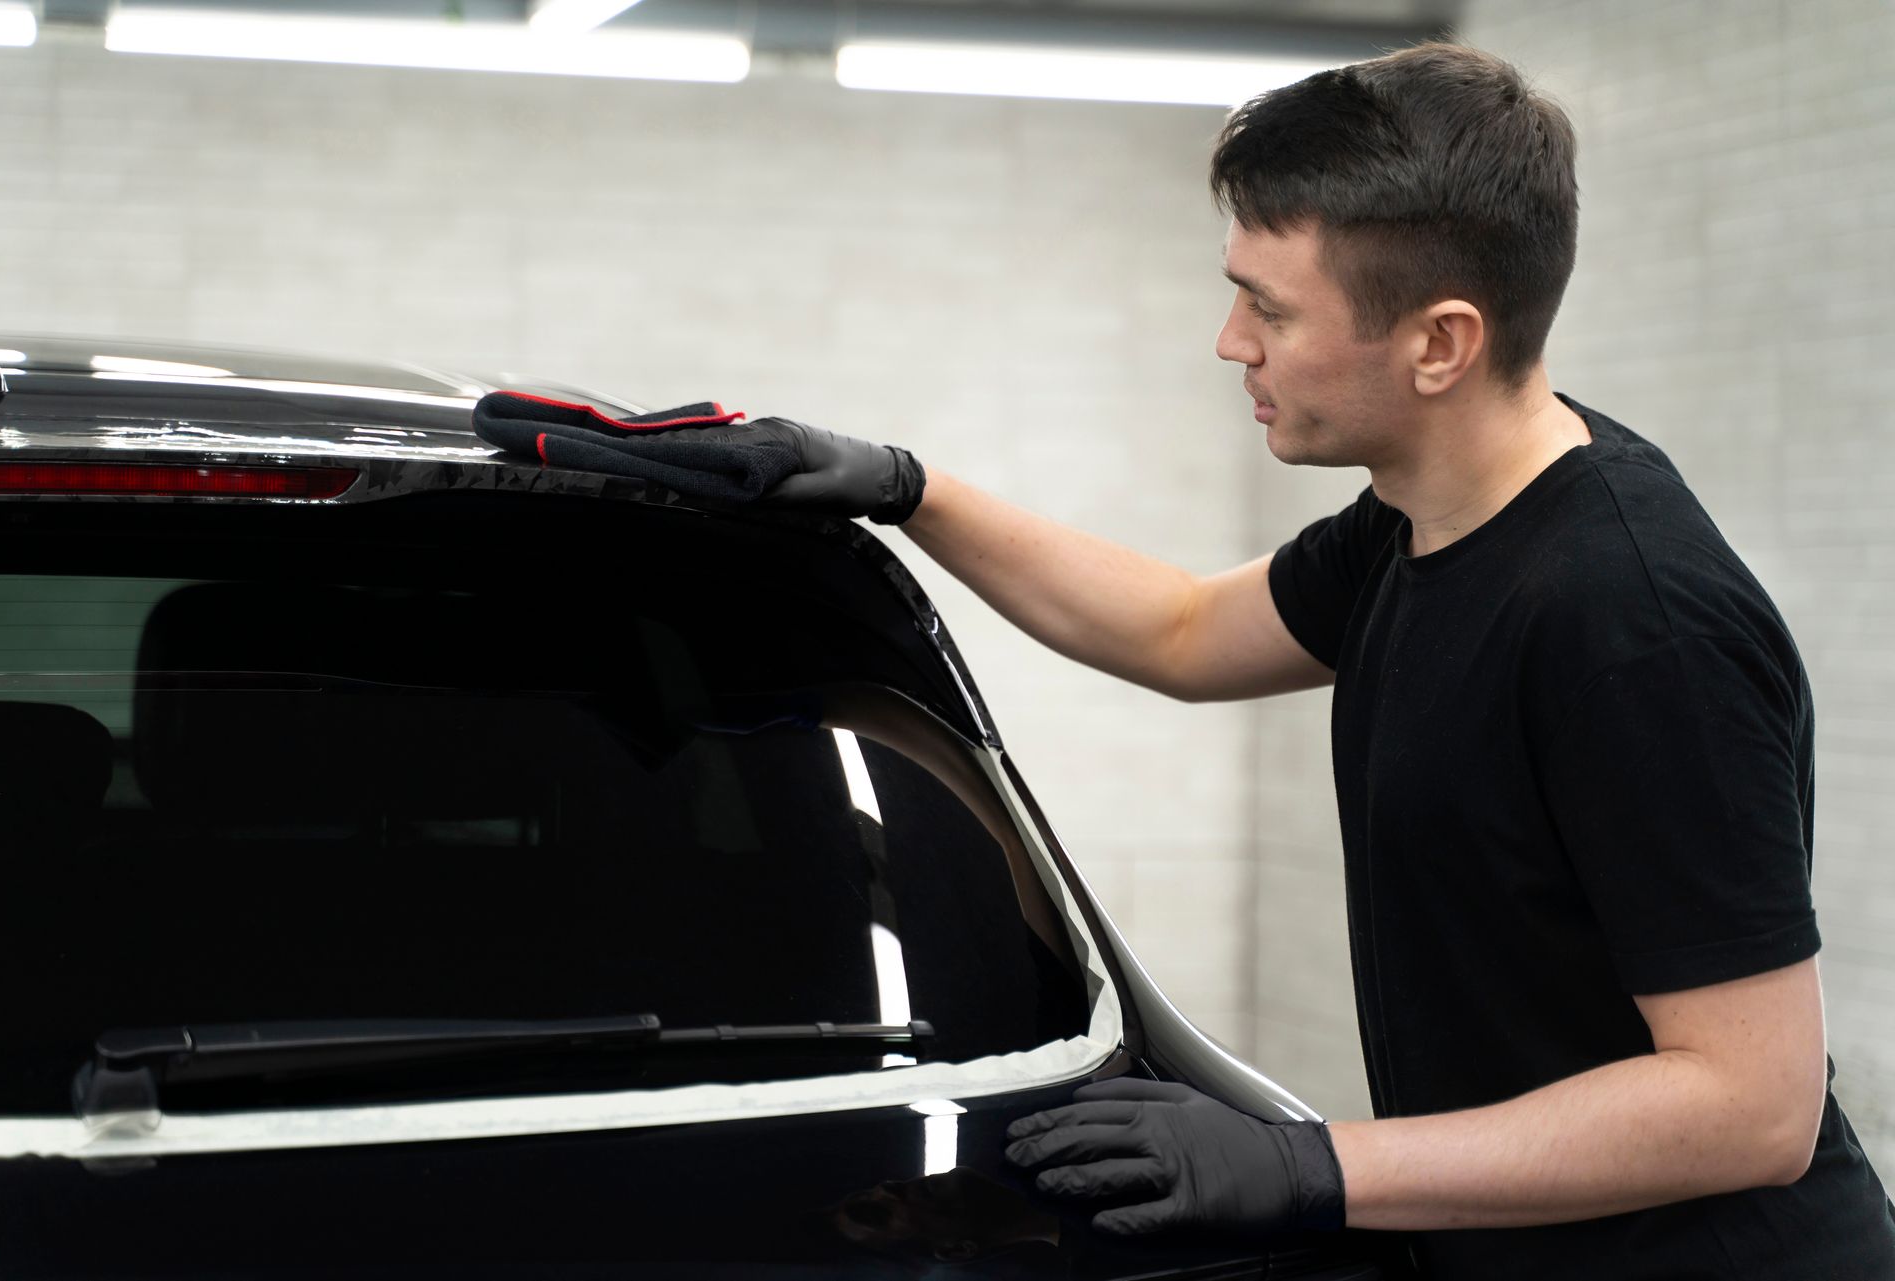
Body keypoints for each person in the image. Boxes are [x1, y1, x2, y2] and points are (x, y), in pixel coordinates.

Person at [668, 39, 1895, 1280]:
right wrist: (905, 488)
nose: (1229, 342)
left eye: (1271, 306)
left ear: (1439, 344)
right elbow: (1184, 631)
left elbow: (1753, 1106)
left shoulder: (1631, 622)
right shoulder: (1425, 519)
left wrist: (1312, 1165)